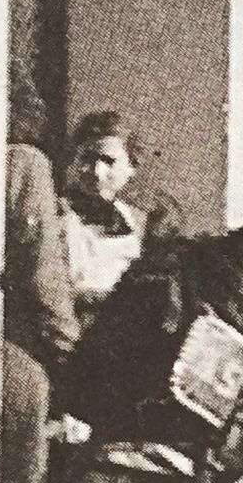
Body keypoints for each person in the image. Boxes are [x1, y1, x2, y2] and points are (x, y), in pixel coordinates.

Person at [0, 144, 85, 483]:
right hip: (32, 350)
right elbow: (41, 276)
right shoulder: (24, 165)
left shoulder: (139, 221)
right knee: (29, 396)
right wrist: (74, 361)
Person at [55, 112, 170, 328]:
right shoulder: (58, 215)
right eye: (87, 160)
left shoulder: (140, 224)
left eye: (109, 161)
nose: (97, 172)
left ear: (131, 168)